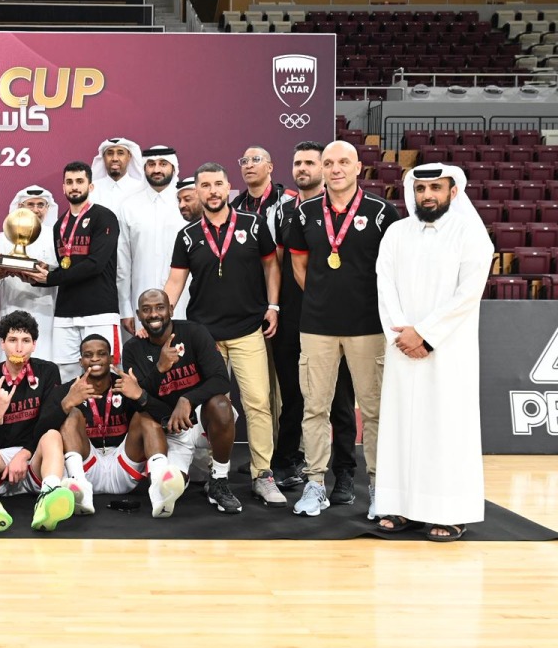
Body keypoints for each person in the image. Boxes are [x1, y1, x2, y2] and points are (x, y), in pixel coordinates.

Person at [374, 164, 492, 541]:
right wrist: (402, 333)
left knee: (445, 429)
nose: (427, 195)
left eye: (435, 188)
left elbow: (467, 295)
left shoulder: (471, 234)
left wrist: (424, 335)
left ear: (452, 193)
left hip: (447, 351)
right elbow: (384, 284)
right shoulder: (396, 232)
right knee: (401, 425)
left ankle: (450, 512)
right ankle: (402, 508)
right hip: (401, 348)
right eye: (421, 187)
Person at [286, 140, 400, 517]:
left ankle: (381, 488)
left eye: (343, 162)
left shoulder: (382, 212)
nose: (335, 169)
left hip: (368, 326)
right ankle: (315, 484)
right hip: (317, 325)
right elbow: (300, 266)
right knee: (314, 408)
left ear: (357, 168)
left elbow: (394, 270)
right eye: (329, 162)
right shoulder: (304, 213)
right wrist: (324, 297)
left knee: (374, 410)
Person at [164, 162, 287, 508]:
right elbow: (175, 282)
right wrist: (161, 321)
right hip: (205, 336)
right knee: (213, 406)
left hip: (248, 330)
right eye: (206, 185)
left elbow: (271, 265)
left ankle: (262, 475)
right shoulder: (187, 235)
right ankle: (212, 474)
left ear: (229, 187)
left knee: (259, 404)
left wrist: (273, 305)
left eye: (219, 184)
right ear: (198, 191)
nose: (213, 191)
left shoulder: (253, 224)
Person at [270, 142, 358, 498]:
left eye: (311, 162)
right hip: (293, 315)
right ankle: (289, 461)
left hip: (339, 317)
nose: (303, 168)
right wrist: (273, 306)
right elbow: (276, 264)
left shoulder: (348, 209)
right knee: (293, 394)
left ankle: (346, 472)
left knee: (340, 397)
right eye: (298, 163)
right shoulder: (283, 212)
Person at [122, 289, 241, 515]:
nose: (153, 314)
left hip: (203, 419)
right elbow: (138, 400)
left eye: (159, 307)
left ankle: (219, 480)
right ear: (138, 315)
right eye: (146, 310)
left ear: (171, 309)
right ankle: (180, 479)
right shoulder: (133, 349)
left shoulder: (194, 332)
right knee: (172, 486)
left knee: (221, 405)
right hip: (171, 429)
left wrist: (187, 399)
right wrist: (160, 368)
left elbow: (221, 379)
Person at [0, 311, 75, 532]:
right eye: (12, 340)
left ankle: (48, 498)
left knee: (53, 435)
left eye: (25, 341)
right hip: (0, 463)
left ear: (34, 344)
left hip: (35, 460)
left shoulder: (48, 371)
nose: (19, 348)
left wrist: (24, 454)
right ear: (2, 343)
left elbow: (48, 421)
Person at [38, 334, 175, 517]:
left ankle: (160, 489)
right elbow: (39, 431)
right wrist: (67, 404)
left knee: (144, 417)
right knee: (71, 414)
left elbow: (167, 417)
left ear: (111, 359)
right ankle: (80, 491)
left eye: (101, 354)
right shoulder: (68, 390)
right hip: (87, 466)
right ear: (80, 361)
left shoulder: (126, 386)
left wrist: (139, 396)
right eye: (88, 355)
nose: (94, 358)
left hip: (123, 463)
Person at [21, 161, 120, 381]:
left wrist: (50, 278)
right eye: (69, 182)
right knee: (66, 374)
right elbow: (69, 266)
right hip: (66, 312)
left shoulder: (104, 217)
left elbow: (95, 264)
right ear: (63, 187)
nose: (74, 187)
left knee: (106, 373)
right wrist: (39, 274)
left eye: (79, 181)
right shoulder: (59, 225)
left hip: (99, 310)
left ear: (90, 186)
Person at [117, 145, 187, 333]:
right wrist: (125, 308)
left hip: (185, 300)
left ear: (173, 167)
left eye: (163, 164)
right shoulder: (129, 206)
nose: (156, 169)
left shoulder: (187, 204)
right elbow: (123, 262)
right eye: (151, 164)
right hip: (141, 302)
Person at [0, 185, 59, 362]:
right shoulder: (5, 237)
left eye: (40, 205)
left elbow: (62, 273)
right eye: (30, 204)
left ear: (48, 208)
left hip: (46, 311)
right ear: (19, 208)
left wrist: (45, 271)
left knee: (44, 361)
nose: (35, 210)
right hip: (11, 306)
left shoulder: (55, 236)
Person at [231, 146, 290, 226]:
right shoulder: (235, 206)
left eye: (256, 160)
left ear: (270, 167)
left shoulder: (289, 200)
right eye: (244, 161)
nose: (249, 165)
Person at [88, 137, 145, 214]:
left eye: (120, 153)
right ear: (103, 157)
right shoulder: (92, 190)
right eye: (110, 153)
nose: (115, 158)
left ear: (129, 156)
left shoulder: (140, 189)